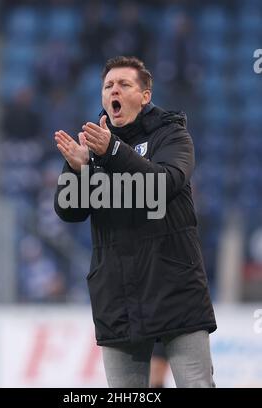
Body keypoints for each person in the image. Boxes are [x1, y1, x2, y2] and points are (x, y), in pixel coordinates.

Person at [54, 56, 217, 388]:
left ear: (145, 96)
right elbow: (69, 211)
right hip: (118, 296)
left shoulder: (172, 135)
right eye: (108, 85)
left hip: (174, 289)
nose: (114, 89)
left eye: (124, 84)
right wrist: (78, 171)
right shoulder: (92, 145)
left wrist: (113, 152)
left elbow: (162, 184)